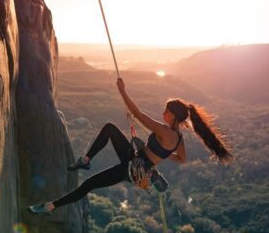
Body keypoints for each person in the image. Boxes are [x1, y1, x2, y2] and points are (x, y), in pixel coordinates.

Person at [28, 78, 232, 215]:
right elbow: (182, 159)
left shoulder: (165, 131)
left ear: (173, 115)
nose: (163, 114)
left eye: (165, 111)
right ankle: (86, 161)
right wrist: (160, 157)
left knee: (88, 185)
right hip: (136, 160)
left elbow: (137, 112)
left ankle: (49, 206)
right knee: (109, 128)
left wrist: (122, 91)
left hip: (131, 168)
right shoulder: (178, 138)